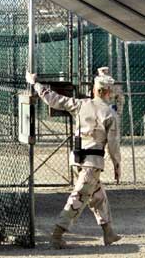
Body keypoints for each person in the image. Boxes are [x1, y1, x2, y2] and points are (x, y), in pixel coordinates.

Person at [25, 68, 122, 249]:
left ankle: (108, 232)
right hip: (92, 164)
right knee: (78, 197)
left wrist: (35, 83)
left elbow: (54, 99)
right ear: (109, 92)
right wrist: (117, 165)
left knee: (98, 195)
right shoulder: (110, 114)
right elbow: (114, 145)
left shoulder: (81, 104)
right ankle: (56, 236)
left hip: (77, 160)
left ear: (95, 90)